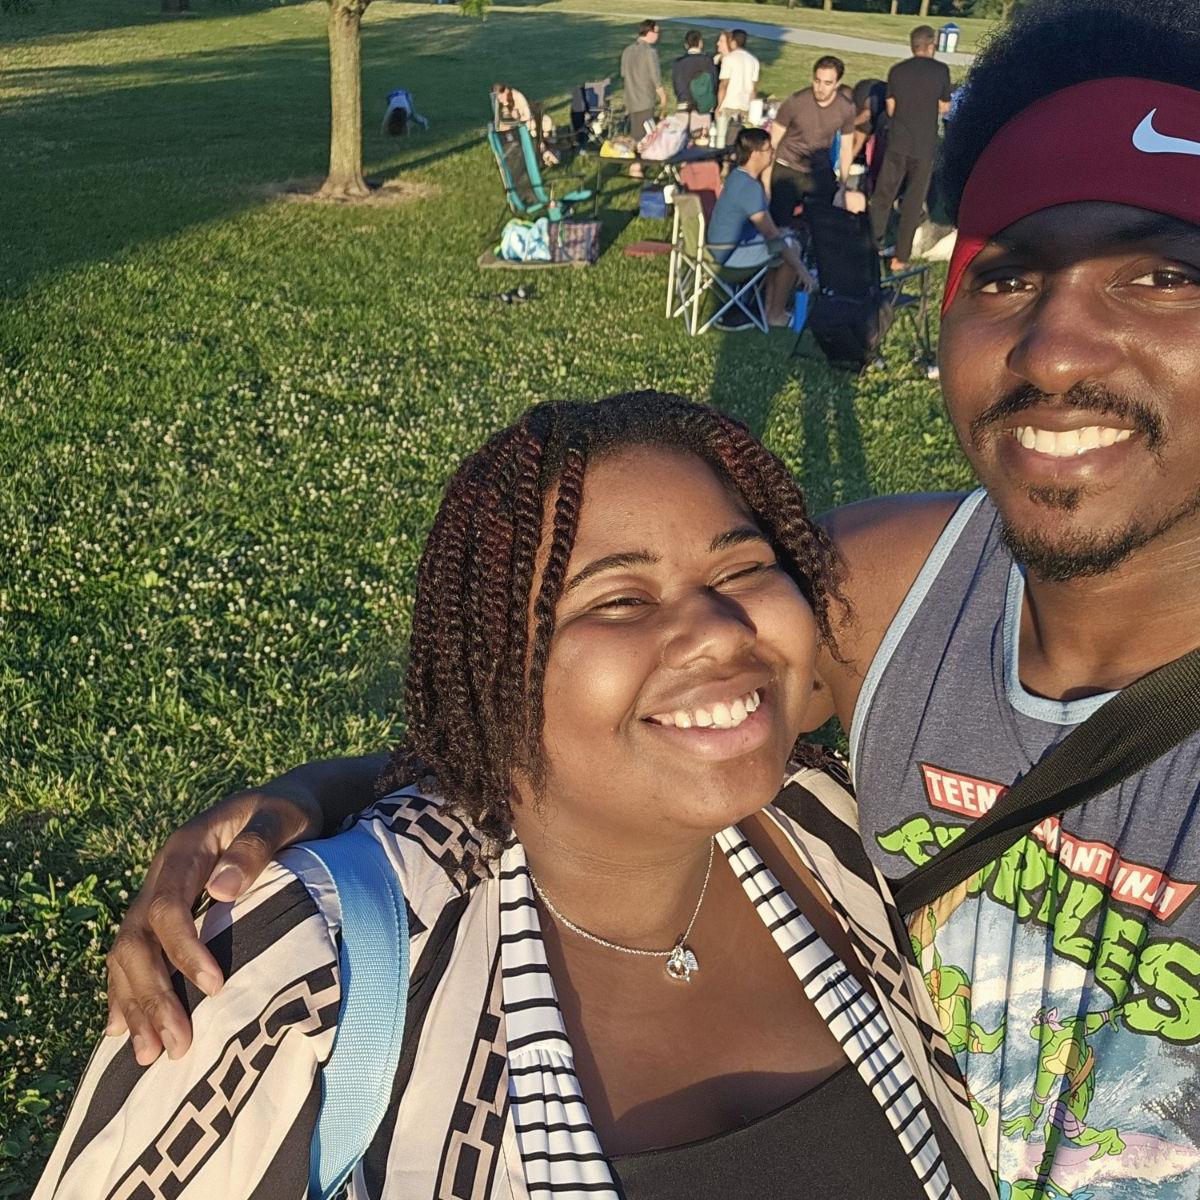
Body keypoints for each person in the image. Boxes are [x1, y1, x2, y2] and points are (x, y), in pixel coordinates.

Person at [100, 3, 1200, 1197]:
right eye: (1010, 274)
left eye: (1163, 276)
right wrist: (312, 802)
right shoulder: (894, 592)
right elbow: (595, 711)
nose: (1057, 349)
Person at [34, 394, 996, 1200]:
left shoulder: (847, 827)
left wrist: (322, 782)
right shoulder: (306, 965)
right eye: (620, 600)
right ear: (493, 671)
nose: (717, 628)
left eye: (743, 568)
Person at [704, 128, 815, 330]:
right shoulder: (749, 187)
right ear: (755, 154)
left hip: (716, 250)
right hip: (729, 258)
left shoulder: (736, 177)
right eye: (768, 149)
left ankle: (768, 308)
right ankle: (775, 314)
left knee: (784, 241)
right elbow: (771, 234)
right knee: (790, 246)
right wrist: (802, 270)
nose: (772, 153)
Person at [868, 26, 951, 272]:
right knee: (913, 201)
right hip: (924, 146)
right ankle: (901, 257)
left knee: (883, 196)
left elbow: (891, 108)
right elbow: (945, 107)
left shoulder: (897, 71)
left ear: (912, 45)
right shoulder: (941, 71)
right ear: (931, 45)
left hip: (897, 142)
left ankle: (872, 243)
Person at [767, 56, 856, 226]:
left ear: (837, 84)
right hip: (787, 165)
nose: (820, 88)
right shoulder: (796, 102)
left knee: (821, 223)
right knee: (779, 223)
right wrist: (766, 183)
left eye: (827, 83)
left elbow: (846, 149)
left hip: (818, 169)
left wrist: (843, 186)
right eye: (817, 81)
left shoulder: (846, 108)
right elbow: (772, 144)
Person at [620, 18, 667, 144]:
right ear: (650, 33)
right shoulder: (650, 52)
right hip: (645, 101)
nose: (658, 35)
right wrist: (663, 97)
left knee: (635, 134)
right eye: (657, 32)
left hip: (630, 100)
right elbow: (655, 78)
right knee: (644, 140)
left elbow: (624, 74)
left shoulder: (627, 51)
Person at [715, 28, 759, 148]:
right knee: (741, 144)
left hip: (729, 105)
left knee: (724, 143)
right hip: (745, 108)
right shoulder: (754, 61)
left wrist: (719, 106)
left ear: (733, 42)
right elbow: (753, 90)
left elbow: (724, 84)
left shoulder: (729, 59)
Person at [671, 29, 717, 115]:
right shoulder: (707, 61)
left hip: (683, 103)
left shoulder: (678, 63)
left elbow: (676, 85)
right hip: (704, 105)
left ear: (686, 45)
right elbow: (714, 83)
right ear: (700, 43)